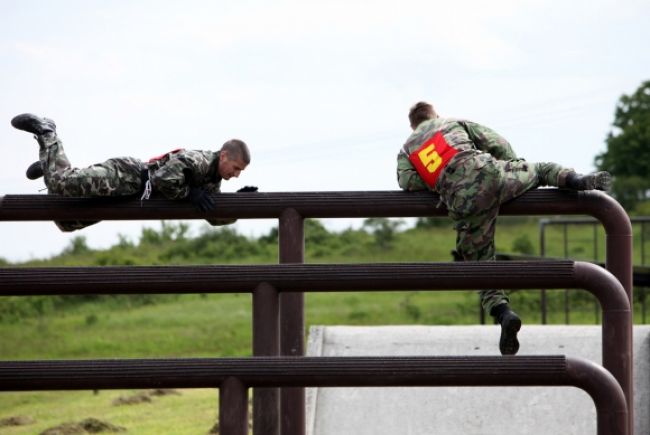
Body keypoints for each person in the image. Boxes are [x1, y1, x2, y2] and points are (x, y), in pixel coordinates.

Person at [396, 101, 611, 355]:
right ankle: (575, 180)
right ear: (435, 115)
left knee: (480, 268)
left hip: (462, 200)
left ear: (412, 125)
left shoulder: (408, 149)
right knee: (541, 170)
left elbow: (407, 181)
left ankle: (505, 314)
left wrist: (443, 181)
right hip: (492, 174)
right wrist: (513, 165)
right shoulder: (451, 123)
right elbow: (496, 142)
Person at [11, 113, 255, 232]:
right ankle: (47, 131)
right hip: (128, 176)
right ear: (224, 155)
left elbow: (212, 217)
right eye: (236, 168)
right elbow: (163, 178)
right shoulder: (199, 160)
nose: (236, 175)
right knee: (59, 184)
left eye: (240, 172)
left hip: (131, 198)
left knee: (66, 222)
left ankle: (48, 164)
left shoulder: (212, 182)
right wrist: (191, 194)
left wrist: (239, 205)